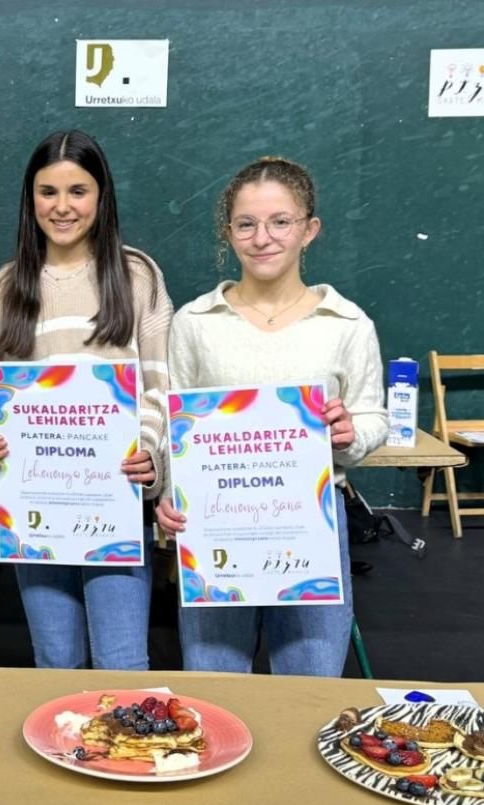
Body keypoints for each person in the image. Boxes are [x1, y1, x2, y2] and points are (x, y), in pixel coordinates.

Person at [156, 156, 387, 676]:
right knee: (214, 686)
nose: (263, 238)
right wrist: (169, 492)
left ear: (309, 230)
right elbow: (176, 425)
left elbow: (373, 416)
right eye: (246, 224)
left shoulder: (347, 324)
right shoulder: (195, 322)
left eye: (280, 222)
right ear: (228, 232)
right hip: (213, 530)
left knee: (309, 686)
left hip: (312, 530)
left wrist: (349, 434)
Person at [0, 130, 173, 670]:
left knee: (123, 662)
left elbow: (159, 385)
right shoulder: (6, 286)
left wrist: (148, 453)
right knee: (54, 662)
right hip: (37, 510)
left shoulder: (137, 276)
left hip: (116, 506)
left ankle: (123, 756)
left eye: (78, 191)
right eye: (47, 192)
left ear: (102, 196)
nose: (62, 207)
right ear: (29, 198)